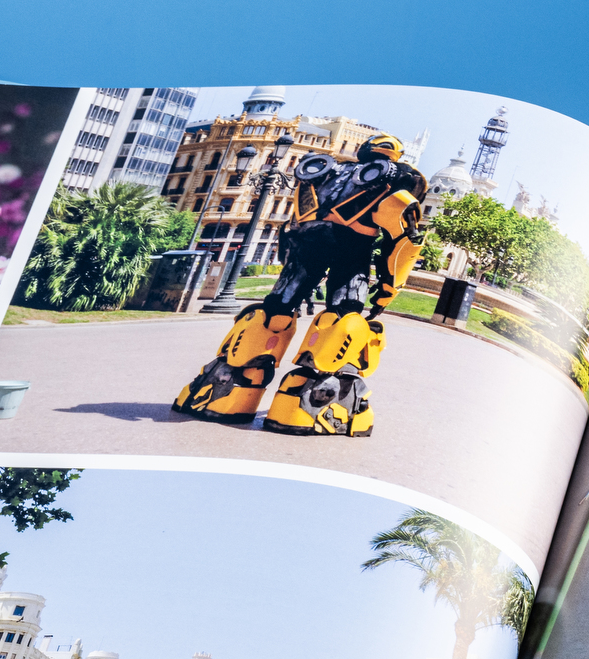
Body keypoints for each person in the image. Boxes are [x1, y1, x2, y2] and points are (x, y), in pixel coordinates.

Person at [173, 132, 427, 438]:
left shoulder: (323, 173)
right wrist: (388, 289)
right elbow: (402, 245)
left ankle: (229, 387)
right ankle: (306, 402)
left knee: (274, 312)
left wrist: (289, 256)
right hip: (353, 249)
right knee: (343, 318)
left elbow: (294, 224)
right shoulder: (392, 183)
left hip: (308, 245)